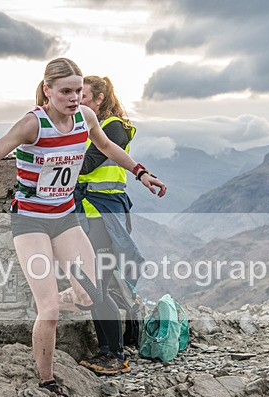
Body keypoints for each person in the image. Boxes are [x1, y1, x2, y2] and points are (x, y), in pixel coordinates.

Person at [0, 58, 166, 397]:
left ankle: (49, 300)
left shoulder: (86, 118)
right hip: (30, 222)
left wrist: (141, 173)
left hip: (66, 218)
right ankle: (46, 381)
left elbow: (105, 146)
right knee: (51, 310)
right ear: (48, 90)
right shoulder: (33, 124)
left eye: (78, 91)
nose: (74, 98)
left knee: (91, 293)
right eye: (65, 91)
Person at [74, 75, 163, 368]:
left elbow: (86, 164)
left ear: (99, 98)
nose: (78, 100)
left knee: (97, 284)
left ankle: (114, 354)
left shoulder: (114, 128)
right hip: (90, 213)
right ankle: (112, 348)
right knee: (98, 283)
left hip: (102, 216)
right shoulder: (90, 125)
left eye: (83, 95)